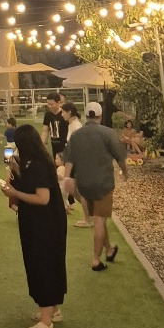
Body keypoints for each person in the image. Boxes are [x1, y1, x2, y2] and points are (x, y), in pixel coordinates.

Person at [2, 124, 67, 328]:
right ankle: (52, 310)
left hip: (44, 224)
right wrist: (16, 170)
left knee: (43, 265)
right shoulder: (37, 161)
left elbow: (42, 198)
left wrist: (14, 193)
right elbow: (33, 184)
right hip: (43, 222)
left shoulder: (38, 164)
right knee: (49, 264)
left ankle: (46, 322)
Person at [63, 104, 128, 271]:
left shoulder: (76, 135)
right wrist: (125, 172)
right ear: (100, 116)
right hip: (102, 183)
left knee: (99, 217)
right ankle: (95, 260)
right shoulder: (107, 133)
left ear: (86, 115)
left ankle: (109, 249)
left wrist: (67, 179)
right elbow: (120, 157)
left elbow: (68, 159)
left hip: (83, 184)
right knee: (100, 220)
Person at [58, 103, 82, 212]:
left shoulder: (76, 125)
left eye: (63, 112)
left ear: (69, 112)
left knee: (71, 185)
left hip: (75, 161)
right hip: (71, 159)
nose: (62, 114)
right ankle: (65, 205)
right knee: (68, 184)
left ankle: (89, 211)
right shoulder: (71, 125)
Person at [41, 92, 67, 159]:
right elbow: (45, 130)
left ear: (58, 103)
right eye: (48, 104)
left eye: (52, 104)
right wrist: (41, 145)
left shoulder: (64, 114)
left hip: (64, 144)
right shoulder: (48, 114)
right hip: (54, 143)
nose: (50, 106)